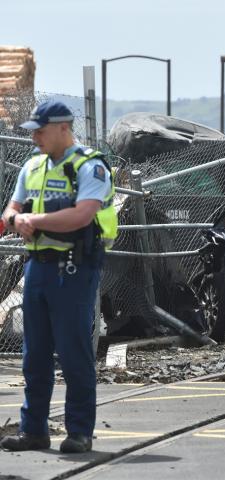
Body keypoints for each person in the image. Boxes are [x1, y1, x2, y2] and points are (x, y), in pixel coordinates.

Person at [0, 101, 117, 454]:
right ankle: (33, 430)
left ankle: (79, 431)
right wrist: (14, 218)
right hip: (37, 266)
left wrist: (32, 222)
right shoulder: (32, 166)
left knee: (73, 352)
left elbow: (82, 216)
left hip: (74, 268)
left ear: (63, 128)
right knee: (33, 355)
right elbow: (12, 207)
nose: (34, 136)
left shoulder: (89, 167)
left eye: (40, 130)